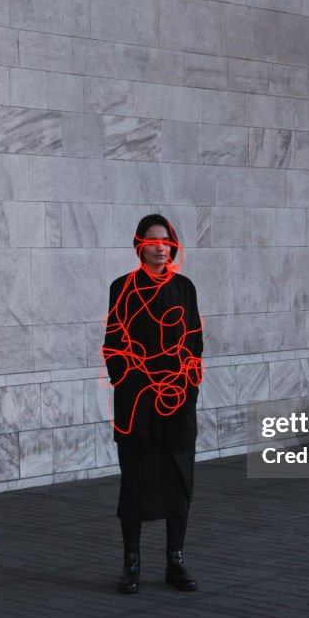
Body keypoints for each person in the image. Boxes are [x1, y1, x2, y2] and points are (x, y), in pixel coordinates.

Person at [101, 214, 204, 594]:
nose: (161, 247)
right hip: (138, 405)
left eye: (167, 241)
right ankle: (132, 563)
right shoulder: (122, 288)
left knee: (179, 483)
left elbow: (194, 341)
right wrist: (133, 386)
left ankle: (175, 561)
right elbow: (114, 344)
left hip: (177, 402)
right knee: (136, 484)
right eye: (153, 241)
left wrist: (187, 386)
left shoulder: (185, 288)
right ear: (139, 245)